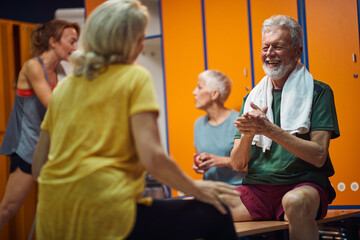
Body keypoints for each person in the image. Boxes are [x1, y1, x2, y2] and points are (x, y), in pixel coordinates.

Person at [32, 1, 239, 239]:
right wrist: (196, 188)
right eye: (140, 39)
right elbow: (153, 157)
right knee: (217, 211)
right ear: (124, 42)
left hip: (53, 218)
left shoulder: (64, 88)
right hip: (106, 216)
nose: (142, 47)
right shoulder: (133, 76)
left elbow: (39, 168)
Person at [224, 15, 340, 240]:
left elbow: (318, 156)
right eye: (265, 47)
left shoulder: (319, 92)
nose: (269, 54)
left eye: (277, 47)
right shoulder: (251, 99)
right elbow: (238, 164)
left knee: (293, 202)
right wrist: (248, 134)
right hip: (258, 188)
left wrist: (269, 130)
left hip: (303, 184)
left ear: (297, 52)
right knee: (203, 207)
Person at [0, 19, 79, 229]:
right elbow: (55, 108)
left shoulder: (58, 71)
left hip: (48, 148)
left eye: (76, 42)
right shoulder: (33, 67)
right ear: (53, 41)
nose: (75, 47)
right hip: (27, 148)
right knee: (9, 207)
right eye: (71, 42)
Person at [193, 70, 246, 186]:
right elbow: (204, 159)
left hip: (236, 191)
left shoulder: (239, 121)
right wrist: (200, 165)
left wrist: (224, 161)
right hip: (210, 191)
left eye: (199, 87)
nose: (194, 92)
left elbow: (253, 166)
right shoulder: (198, 124)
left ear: (214, 94)